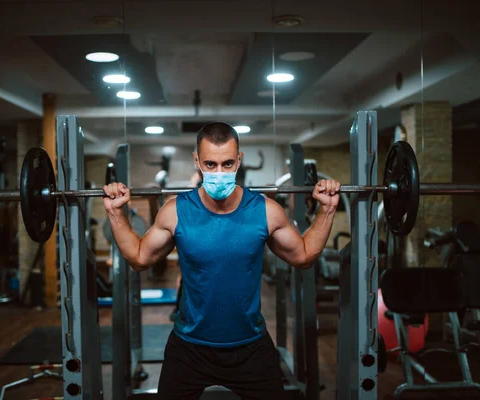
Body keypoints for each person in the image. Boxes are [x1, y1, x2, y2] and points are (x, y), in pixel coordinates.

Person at [103, 122, 340, 400]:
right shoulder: (175, 212)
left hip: (250, 349)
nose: (219, 173)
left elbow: (303, 256)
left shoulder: (265, 211)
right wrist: (117, 213)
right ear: (197, 161)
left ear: (239, 160)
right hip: (189, 348)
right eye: (210, 164)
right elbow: (140, 258)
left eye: (227, 164)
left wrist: (327, 210)